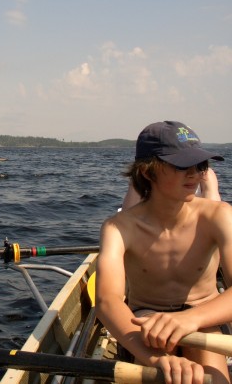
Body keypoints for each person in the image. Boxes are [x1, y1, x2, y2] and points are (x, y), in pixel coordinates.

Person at [96, 121, 231, 384]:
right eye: (183, 165)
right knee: (160, 360)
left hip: (206, 312)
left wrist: (190, 319)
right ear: (148, 172)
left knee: (207, 354)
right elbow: (107, 301)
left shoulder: (220, 215)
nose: (195, 174)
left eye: (201, 165)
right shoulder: (118, 227)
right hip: (147, 318)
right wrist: (157, 359)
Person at [121, 167, 221, 209]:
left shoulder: (207, 174)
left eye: (200, 163)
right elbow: (127, 218)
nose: (193, 174)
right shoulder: (142, 177)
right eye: (180, 166)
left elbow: (214, 213)